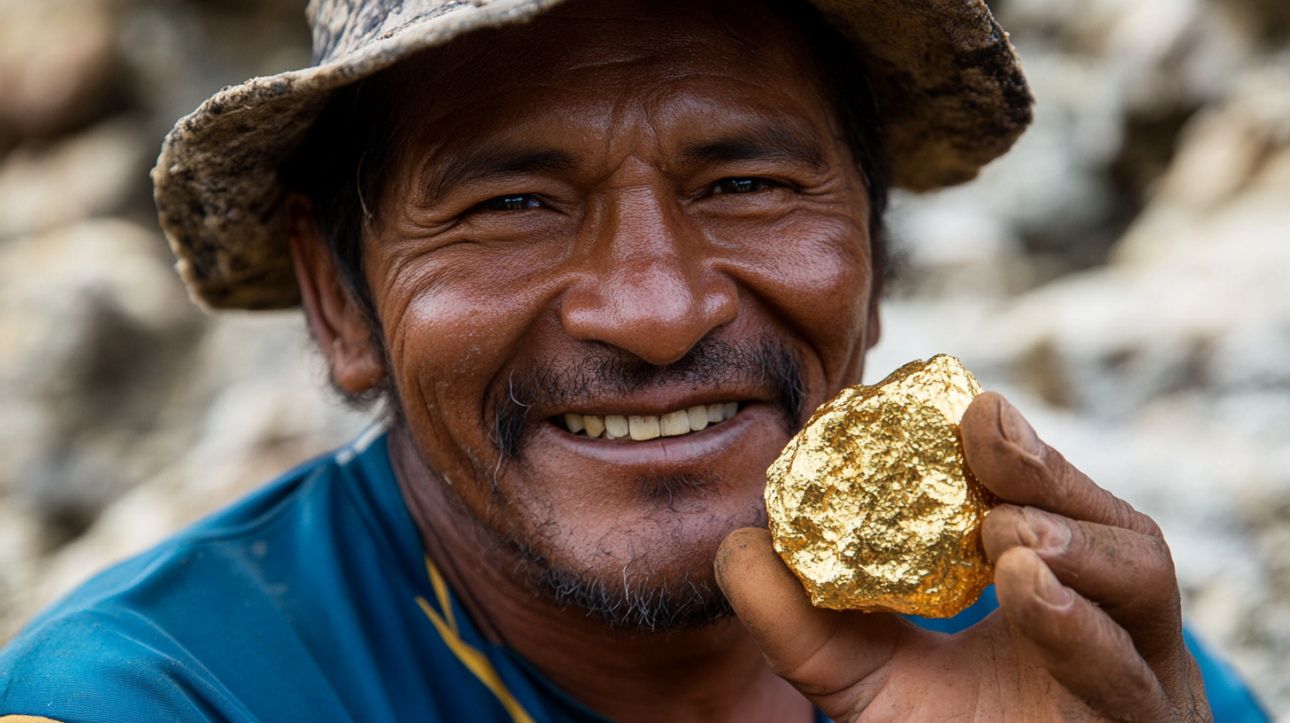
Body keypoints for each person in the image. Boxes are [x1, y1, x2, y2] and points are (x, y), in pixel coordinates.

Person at [0, 0, 1270, 721]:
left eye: (748, 182)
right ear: (339, 297)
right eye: (514, 204)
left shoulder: (1057, 649)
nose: (658, 310)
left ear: (872, 262)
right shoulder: (158, 696)